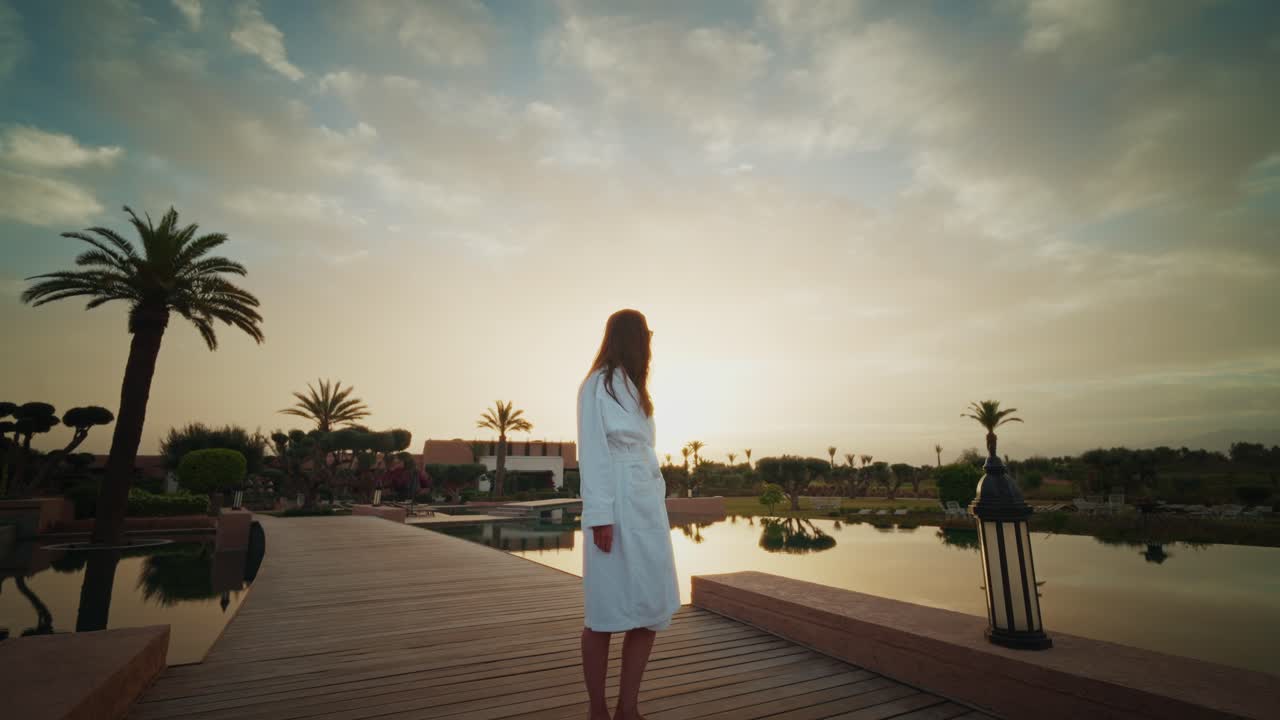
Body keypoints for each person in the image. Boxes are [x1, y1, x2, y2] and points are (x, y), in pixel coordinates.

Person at [577, 308, 679, 720]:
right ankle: (598, 709)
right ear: (631, 338)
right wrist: (601, 515)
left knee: (650, 609)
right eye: (646, 336)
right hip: (616, 502)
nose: (649, 345)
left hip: (645, 503)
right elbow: (594, 452)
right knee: (604, 611)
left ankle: (629, 707)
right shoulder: (597, 385)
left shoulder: (635, 388)